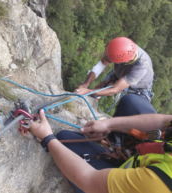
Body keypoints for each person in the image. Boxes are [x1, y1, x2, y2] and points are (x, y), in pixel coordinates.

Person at [22, 109, 172, 193]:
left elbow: (89, 180)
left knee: (62, 142)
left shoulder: (161, 183)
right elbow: (164, 122)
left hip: (140, 183)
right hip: (140, 166)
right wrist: (109, 124)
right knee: (131, 102)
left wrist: (47, 138)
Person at [75, 37, 156, 116]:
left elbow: (115, 89)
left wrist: (87, 91)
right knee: (98, 88)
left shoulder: (141, 67)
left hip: (140, 88)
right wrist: (86, 84)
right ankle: (92, 103)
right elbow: (100, 66)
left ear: (124, 61)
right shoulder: (120, 48)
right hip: (121, 72)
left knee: (127, 108)